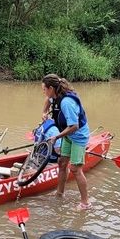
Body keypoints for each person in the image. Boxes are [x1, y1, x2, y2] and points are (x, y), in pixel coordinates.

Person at [41, 73, 91, 210]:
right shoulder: (55, 96)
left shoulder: (66, 102)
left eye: (44, 89)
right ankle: (60, 193)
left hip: (78, 135)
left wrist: (56, 137)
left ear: (51, 88)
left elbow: (74, 126)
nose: (43, 92)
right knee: (62, 163)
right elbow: (47, 100)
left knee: (75, 169)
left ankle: (85, 203)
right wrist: (44, 112)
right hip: (67, 134)